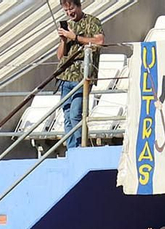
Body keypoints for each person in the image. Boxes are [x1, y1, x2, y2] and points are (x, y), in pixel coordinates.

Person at [55, 0, 103, 148]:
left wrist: (75, 37)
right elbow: (60, 56)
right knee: (67, 116)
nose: (69, 13)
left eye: (71, 9)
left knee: (76, 114)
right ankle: (72, 149)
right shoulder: (69, 26)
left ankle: (82, 146)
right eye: (66, 11)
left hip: (81, 77)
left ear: (78, 6)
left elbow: (99, 41)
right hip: (65, 76)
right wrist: (64, 40)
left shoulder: (92, 21)